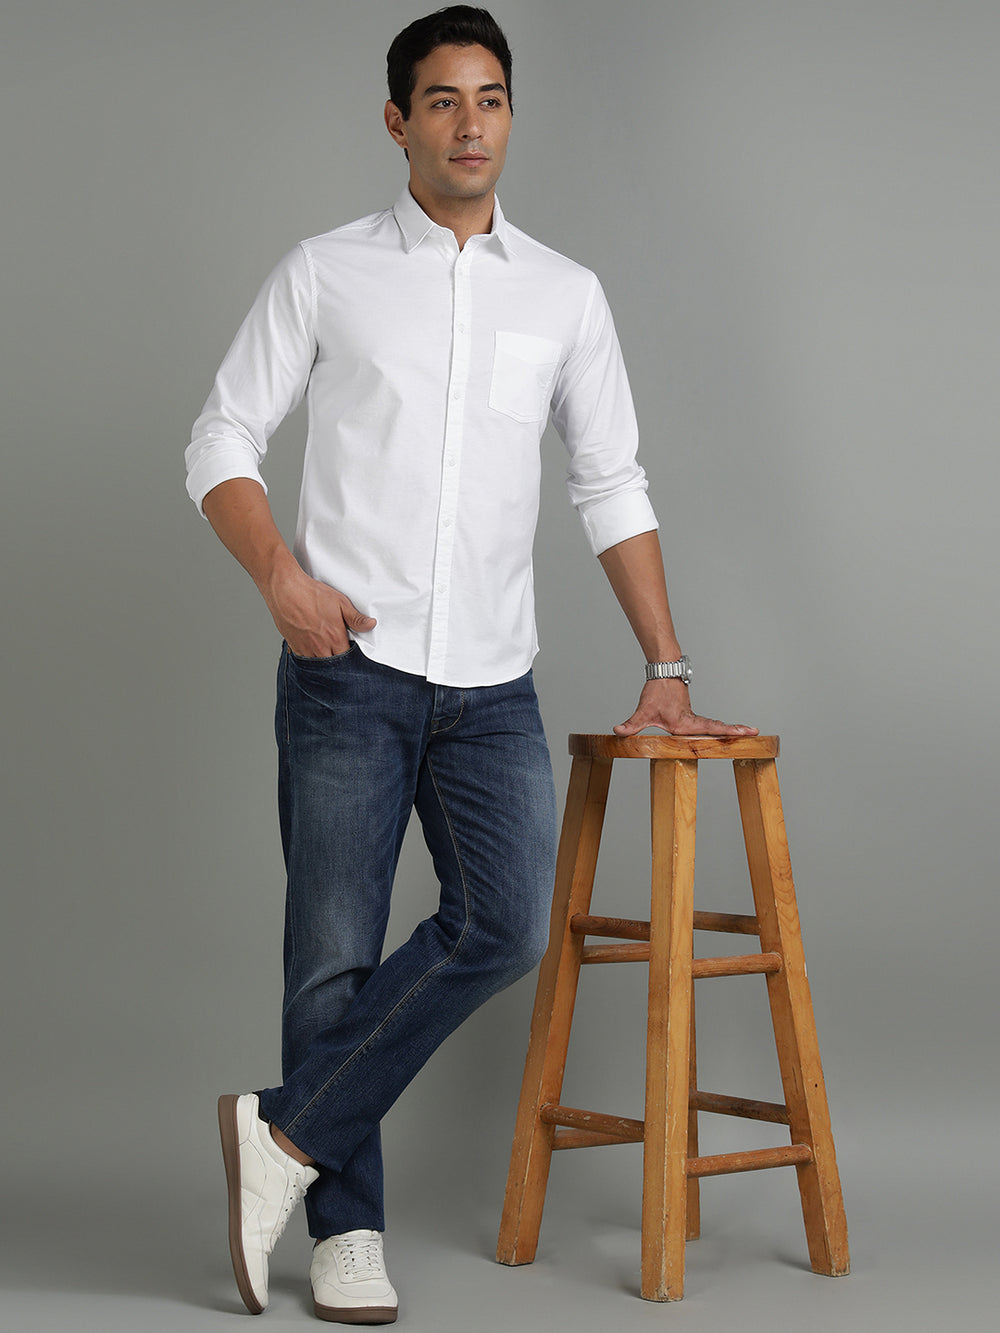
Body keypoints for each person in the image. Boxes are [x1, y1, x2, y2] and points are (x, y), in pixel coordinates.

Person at [187, 6, 756, 1323]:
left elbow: (611, 481)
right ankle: (346, 1232)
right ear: (397, 121)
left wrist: (666, 659)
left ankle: (279, 1134)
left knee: (500, 922)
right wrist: (281, 576)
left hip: (494, 683)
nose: (469, 124)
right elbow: (218, 436)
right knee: (329, 956)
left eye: (490, 99)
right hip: (348, 672)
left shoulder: (564, 295)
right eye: (441, 101)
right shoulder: (326, 271)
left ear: (512, 115)